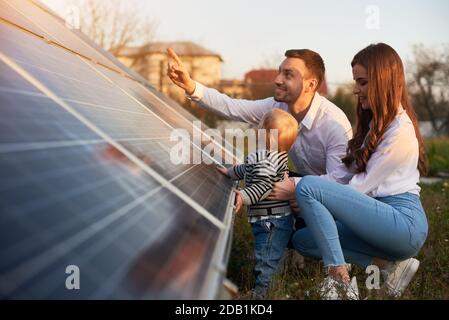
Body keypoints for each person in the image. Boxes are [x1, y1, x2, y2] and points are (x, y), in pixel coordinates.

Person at [291, 43, 429, 299]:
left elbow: (359, 188)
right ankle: (391, 268)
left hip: (402, 224)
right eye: (357, 82)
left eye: (363, 82)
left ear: (383, 81)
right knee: (305, 240)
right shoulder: (376, 125)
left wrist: (303, 192)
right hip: (376, 220)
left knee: (308, 186)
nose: (356, 90)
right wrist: (299, 192)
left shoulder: (400, 132)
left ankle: (339, 280)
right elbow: (345, 174)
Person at [166, 47, 353, 228]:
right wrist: (191, 86)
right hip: (302, 186)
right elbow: (232, 107)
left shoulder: (333, 124)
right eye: (279, 72)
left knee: (303, 237)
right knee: (262, 175)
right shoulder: (276, 108)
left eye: (288, 75)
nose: (277, 80)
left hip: (335, 198)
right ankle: (273, 237)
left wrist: (298, 189)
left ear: (310, 84)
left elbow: (339, 182)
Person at [217, 108, 298, 299]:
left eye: (260, 128)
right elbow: (246, 168)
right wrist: (230, 172)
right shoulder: (266, 156)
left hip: (272, 221)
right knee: (269, 253)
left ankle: (262, 294)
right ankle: (271, 280)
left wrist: (243, 196)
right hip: (271, 220)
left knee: (267, 258)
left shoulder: (268, 161)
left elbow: (263, 186)